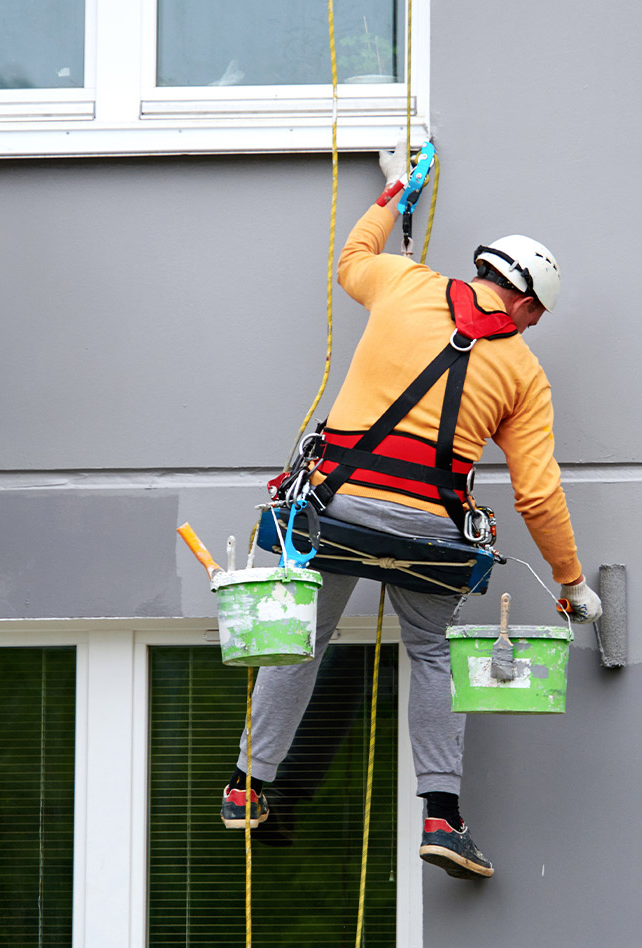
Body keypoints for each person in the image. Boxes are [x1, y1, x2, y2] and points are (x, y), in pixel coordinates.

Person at [220, 161, 602, 880]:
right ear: (524, 303)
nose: (534, 327)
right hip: (429, 530)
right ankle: (442, 819)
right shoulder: (524, 374)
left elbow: (351, 259)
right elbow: (537, 494)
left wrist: (397, 191)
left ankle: (246, 786)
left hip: (337, 509)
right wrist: (571, 582)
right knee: (430, 651)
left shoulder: (403, 282)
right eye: (538, 315)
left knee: (302, 638)